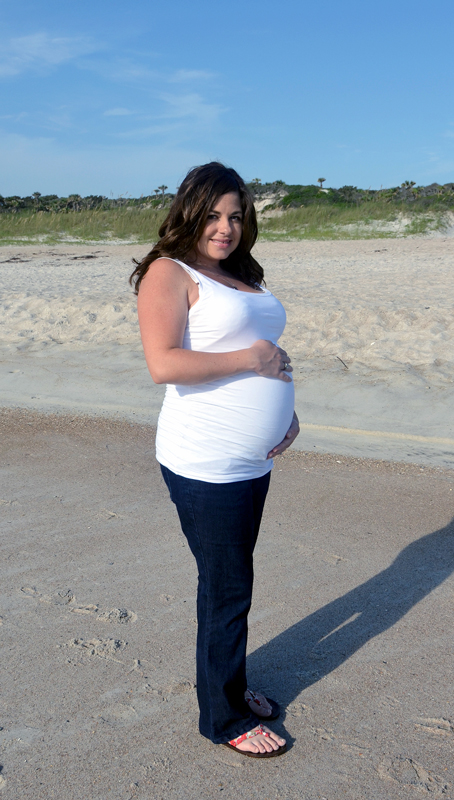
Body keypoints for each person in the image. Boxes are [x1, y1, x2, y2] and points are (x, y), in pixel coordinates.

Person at [130, 162, 298, 758]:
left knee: (234, 579)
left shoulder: (237, 275)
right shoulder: (167, 272)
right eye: (213, 215)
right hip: (205, 461)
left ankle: (230, 682)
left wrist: (286, 409)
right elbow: (164, 364)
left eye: (235, 216)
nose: (225, 227)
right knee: (225, 588)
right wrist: (252, 366)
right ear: (189, 211)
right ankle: (222, 717)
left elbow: (267, 352)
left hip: (252, 460)